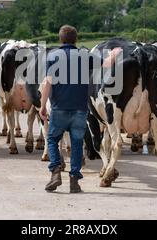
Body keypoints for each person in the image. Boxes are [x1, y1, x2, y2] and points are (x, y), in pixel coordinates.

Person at [40, 25, 90, 194]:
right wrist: (113, 55)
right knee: (77, 144)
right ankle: (74, 181)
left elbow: (47, 83)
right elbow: (106, 65)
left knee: (53, 140)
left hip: (59, 107)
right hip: (80, 109)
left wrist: (42, 105)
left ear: (60, 39)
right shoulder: (84, 55)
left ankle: (55, 172)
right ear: (76, 39)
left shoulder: (53, 56)